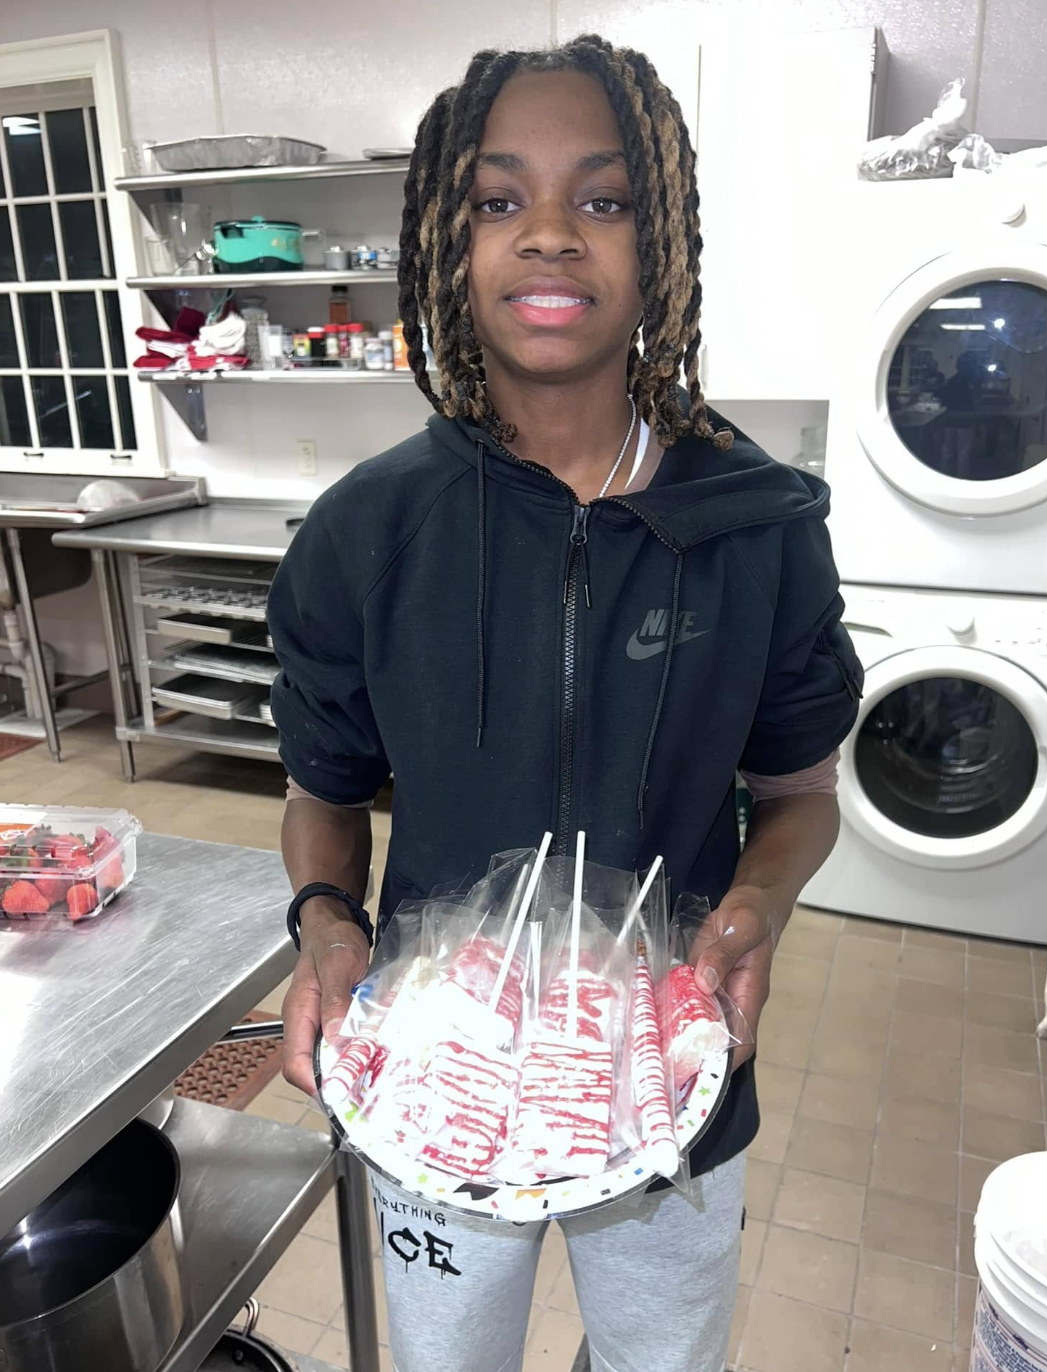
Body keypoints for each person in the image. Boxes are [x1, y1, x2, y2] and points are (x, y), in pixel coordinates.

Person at [269, 34, 862, 1372]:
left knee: (660, 1358)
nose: (547, 236)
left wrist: (754, 908)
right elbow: (321, 788)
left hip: (671, 1069)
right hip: (435, 1066)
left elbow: (801, 793)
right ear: (444, 240)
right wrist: (326, 928)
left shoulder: (757, 524)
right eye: (497, 200)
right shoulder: (368, 531)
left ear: (659, 243)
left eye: (600, 199)